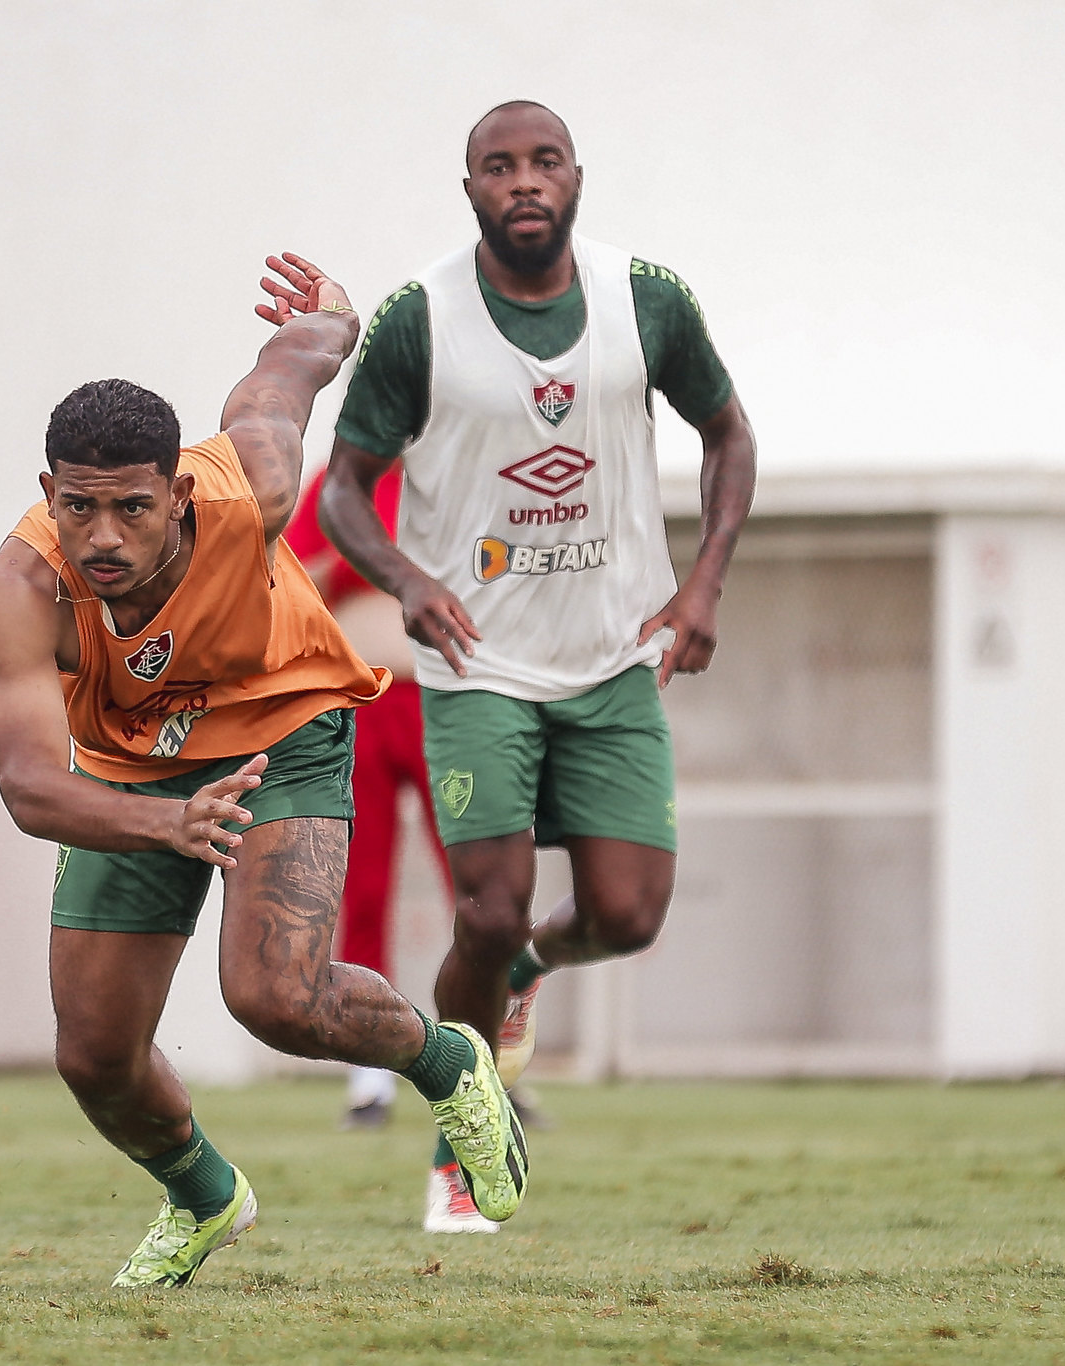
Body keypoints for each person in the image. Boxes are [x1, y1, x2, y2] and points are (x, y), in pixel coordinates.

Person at [0, 253, 527, 1290]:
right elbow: (28, 787)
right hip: (133, 768)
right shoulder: (17, 586)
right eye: (77, 506)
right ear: (46, 491)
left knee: (274, 996)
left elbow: (288, 368)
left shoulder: (253, 485)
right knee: (92, 1055)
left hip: (282, 724)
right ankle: (201, 1193)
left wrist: (333, 317)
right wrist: (169, 822)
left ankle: (450, 1063)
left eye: (131, 508)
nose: (101, 536)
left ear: (179, 493)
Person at [319, 101, 758, 1233]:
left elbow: (728, 434)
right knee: (486, 910)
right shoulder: (419, 319)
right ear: (468, 189)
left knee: (625, 914)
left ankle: (527, 975)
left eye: (542, 161)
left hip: (612, 661)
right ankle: (464, 1136)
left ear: (575, 178)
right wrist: (409, 581)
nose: (523, 181)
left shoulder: (644, 298)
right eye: (497, 166)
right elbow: (338, 487)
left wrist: (701, 581)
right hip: (478, 670)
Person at [281, 470, 447, 1132]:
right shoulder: (331, 489)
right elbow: (290, 590)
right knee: (365, 884)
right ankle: (370, 1074)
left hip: (441, 699)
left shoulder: (450, 475)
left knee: (474, 880)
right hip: (359, 702)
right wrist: (350, 560)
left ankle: (487, 1054)